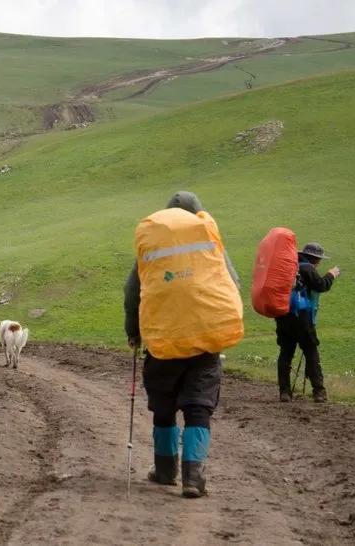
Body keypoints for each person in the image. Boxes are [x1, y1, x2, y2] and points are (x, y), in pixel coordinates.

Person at [123, 191, 241, 498]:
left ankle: (165, 471)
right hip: (205, 341)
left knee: (164, 406)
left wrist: (133, 331)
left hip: (164, 341)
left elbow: (132, 291)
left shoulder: (155, 244)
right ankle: (193, 477)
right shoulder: (208, 239)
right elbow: (233, 283)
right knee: (198, 406)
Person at [275, 242, 340, 403]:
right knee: (311, 353)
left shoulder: (288, 267)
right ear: (315, 258)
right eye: (319, 259)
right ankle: (319, 392)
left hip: (283, 318)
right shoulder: (307, 268)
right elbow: (321, 286)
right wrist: (331, 274)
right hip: (303, 320)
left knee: (285, 354)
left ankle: (284, 392)